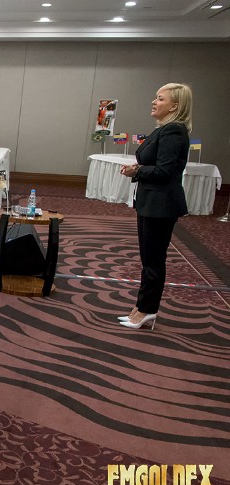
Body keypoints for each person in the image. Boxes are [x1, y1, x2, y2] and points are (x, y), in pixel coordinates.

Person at [118, 83, 192, 330]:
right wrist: (138, 170)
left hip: (161, 205)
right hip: (152, 203)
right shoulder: (165, 129)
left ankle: (147, 309)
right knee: (148, 259)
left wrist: (137, 170)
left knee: (153, 261)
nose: (154, 102)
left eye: (160, 98)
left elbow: (165, 171)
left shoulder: (174, 131)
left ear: (174, 106)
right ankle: (141, 307)